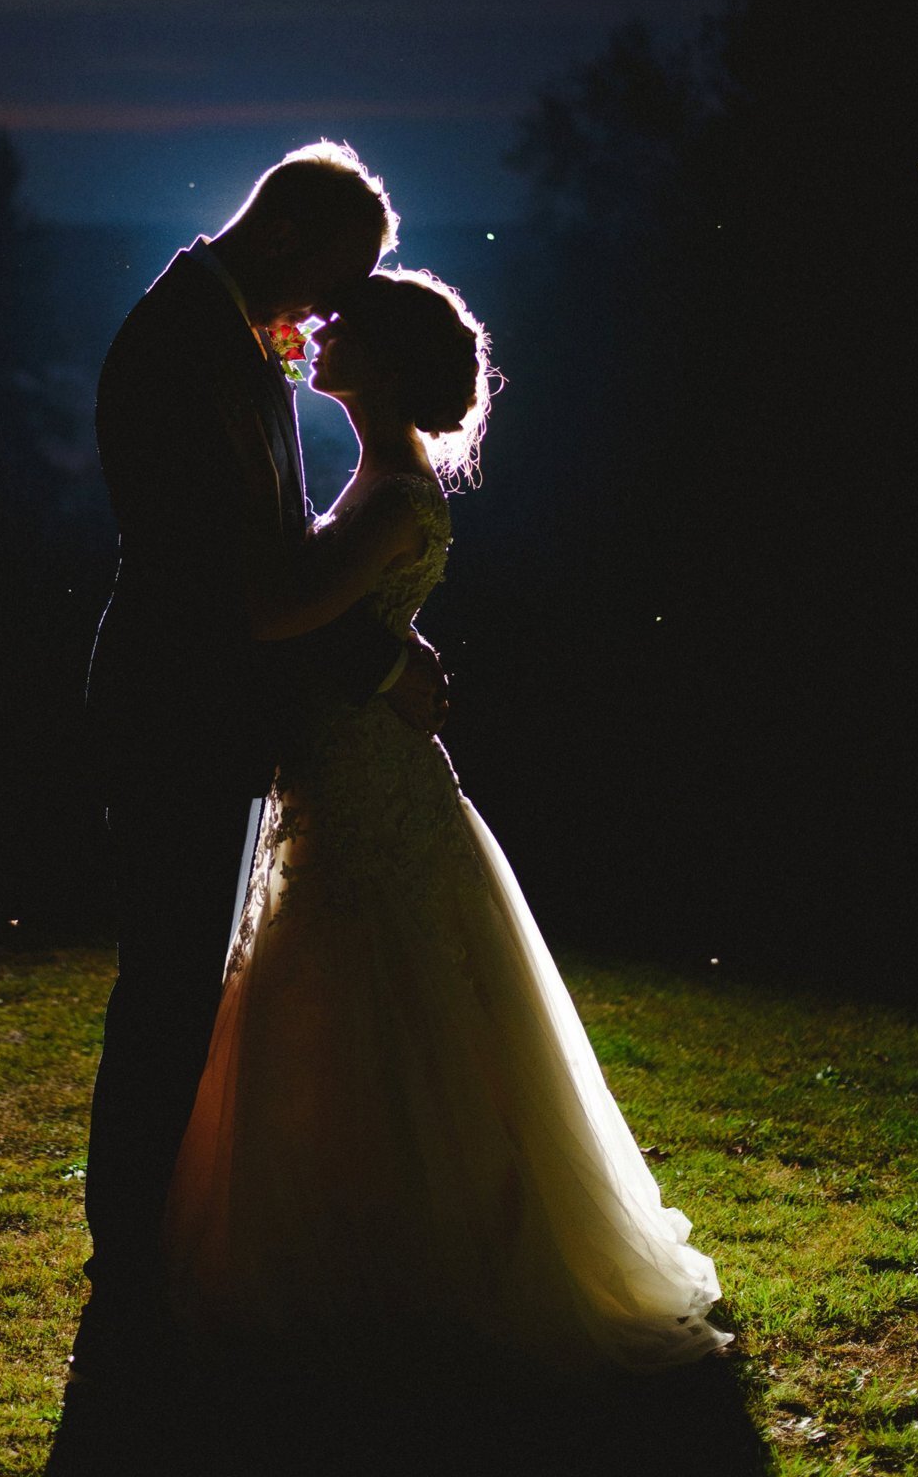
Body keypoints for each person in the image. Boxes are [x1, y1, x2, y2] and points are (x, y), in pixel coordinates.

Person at [162, 268, 732, 1379]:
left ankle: (394, 1259)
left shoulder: (390, 498)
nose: (320, 337)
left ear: (379, 362)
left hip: (364, 776)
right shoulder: (387, 482)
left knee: (371, 995)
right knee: (365, 998)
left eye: (343, 329)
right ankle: (371, 1240)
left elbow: (278, 612)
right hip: (360, 763)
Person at [73, 145, 449, 1384]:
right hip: (176, 704)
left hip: (219, 709)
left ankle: (163, 1245)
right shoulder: (184, 346)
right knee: (170, 980)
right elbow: (236, 578)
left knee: (189, 983)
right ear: (285, 234)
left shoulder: (226, 332)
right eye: (337, 280)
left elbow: (282, 553)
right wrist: (383, 664)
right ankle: (129, 1261)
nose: (330, 317)